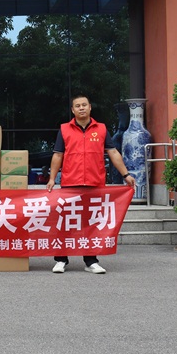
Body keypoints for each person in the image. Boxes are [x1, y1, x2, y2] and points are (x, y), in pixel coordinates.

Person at [46, 94, 135, 274]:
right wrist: (52, 178)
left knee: (92, 223)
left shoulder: (101, 129)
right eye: (77, 106)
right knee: (65, 222)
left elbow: (113, 152)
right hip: (70, 183)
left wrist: (125, 174)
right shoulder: (64, 129)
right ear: (73, 110)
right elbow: (58, 155)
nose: (81, 108)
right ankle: (61, 259)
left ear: (90, 107)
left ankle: (91, 261)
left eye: (84, 105)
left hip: (95, 183)